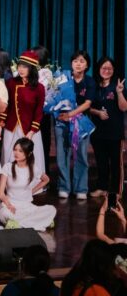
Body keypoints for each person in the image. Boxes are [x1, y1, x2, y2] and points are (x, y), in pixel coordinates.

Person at [55, 50, 97, 200]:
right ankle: (64, 186)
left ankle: (81, 188)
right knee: (62, 155)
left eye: (82, 61)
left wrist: (71, 115)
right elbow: (54, 97)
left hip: (81, 122)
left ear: (87, 65)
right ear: (71, 63)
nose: (78, 64)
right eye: (75, 61)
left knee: (81, 155)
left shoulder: (90, 81)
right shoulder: (63, 78)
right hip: (62, 121)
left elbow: (87, 104)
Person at [0, 51, 46, 176]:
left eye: (25, 67)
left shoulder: (39, 88)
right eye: (19, 66)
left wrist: (32, 131)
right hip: (11, 127)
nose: (21, 69)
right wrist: (1, 123)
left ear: (32, 68)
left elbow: (39, 111)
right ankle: (9, 182)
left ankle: (32, 183)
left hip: (30, 129)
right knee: (9, 154)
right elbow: (7, 105)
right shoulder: (11, 83)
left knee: (31, 157)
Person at [0, 138, 55, 231]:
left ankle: (20, 223)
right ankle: (40, 221)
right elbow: (0, 193)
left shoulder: (33, 168)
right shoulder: (7, 167)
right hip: (10, 204)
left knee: (51, 209)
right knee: (3, 213)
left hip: (26, 206)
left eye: (20, 151)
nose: (16, 153)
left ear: (28, 153)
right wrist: (8, 205)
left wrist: (31, 192)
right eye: (15, 150)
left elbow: (46, 180)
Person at [89, 58, 127, 199]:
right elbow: (87, 107)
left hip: (114, 133)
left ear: (113, 70)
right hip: (97, 132)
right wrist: (97, 112)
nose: (106, 71)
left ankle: (116, 191)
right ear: (99, 69)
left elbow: (124, 108)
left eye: (109, 68)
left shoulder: (117, 86)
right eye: (104, 68)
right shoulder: (94, 86)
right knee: (101, 162)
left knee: (116, 163)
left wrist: (119, 93)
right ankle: (102, 187)